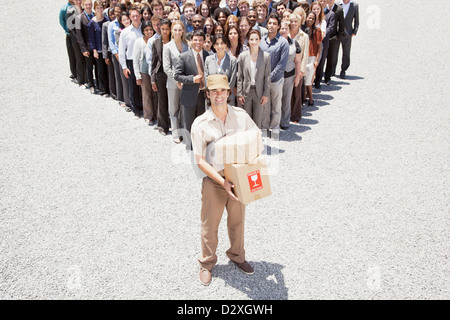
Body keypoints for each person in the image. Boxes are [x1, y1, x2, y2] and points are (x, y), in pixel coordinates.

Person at [191, 74, 261, 286]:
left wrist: (251, 169)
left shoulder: (240, 116)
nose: (218, 95)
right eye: (214, 91)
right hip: (215, 181)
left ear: (229, 93)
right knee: (210, 224)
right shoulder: (200, 124)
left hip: (238, 178)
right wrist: (222, 182)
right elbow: (200, 160)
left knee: (237, 221)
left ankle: (237, 256)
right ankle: (207, 262)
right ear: (208, 94)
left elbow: (255, 138)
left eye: (222, 90)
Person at [174, 30, 210, 145]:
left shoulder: (207, 56)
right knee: (189, 122)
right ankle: (190, 145)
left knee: (201, 122)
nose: (198, 42)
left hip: (203, 95)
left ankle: (200, 144)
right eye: (195, 40)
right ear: (191, 41)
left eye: (200, 40)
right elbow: (177, 75)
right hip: (189, 94)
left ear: (204, 41)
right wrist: (192, 79)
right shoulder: (184, 56)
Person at [259, 12, 289, 135]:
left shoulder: (283, 43)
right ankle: (265, 128)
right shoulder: (262, 41)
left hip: (276, 81)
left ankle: (275, 128)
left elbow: (282, 65)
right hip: (263, 80)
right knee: (265, 106)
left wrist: (270, 77)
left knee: (276, 106)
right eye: (270, 23)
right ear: (267, 24)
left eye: (274, 24)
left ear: (278, 26)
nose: (271, 25)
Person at [237, 29, 270, 128]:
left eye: (256, 39)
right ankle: (248, 140)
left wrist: (266, 94)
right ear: (248, 41)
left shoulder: (266, 56)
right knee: (246, 118)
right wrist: (239, 93)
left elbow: (267, 76)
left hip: (259, 92)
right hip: (246, 91)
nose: (254, 42)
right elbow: (240, 76)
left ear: (260, 40)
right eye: (251, 39)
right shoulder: (243, 56)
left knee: (257, 118)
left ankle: (257, 139)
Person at [163, 21, 189, 144]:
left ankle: (184, 132)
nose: (177, 32)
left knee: (184, 108)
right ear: (172, 31)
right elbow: (166, 68)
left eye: (180, 30)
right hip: (173, 83)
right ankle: (175, 133)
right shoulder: (167, 46)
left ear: (183, 31)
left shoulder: (187, 45)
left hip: (185, 83)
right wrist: (177, 81)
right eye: (175, 30)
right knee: (173, 109)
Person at [119, 5, 143, 117]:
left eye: (137, 15)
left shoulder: (145, 29)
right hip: (131, 61)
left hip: (143, 61)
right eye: (133, 16)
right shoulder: (125, 32)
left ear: (141, 16)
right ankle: (136, 109)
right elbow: (121, 50)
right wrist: (124, 66)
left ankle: (144, 107)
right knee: (133, 86)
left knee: (143, 86)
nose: (135, 18)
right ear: (130, 17)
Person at [278, 20, 302, 130]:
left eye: (285, 28)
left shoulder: (294, 43)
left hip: (289, 75)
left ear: (289, 30)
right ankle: (275, 122)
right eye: (281, 28)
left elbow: (297, 61)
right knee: (276, 100)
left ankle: (285, 122)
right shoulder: (275, 42)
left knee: (286, 100)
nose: (283, 30)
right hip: (276, 77)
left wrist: (297, 76)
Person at [133, 20, 156, 125]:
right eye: (146, 30)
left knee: (155, 94)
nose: (149, 32)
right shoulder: (139, 42)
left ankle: (156, 114)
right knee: (146, 94)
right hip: (144, 71)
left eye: (151, 29)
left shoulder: (156, 40)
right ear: (143, 31)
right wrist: (138, 75)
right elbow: (136, 59)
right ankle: (148, 115)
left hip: (154, 71)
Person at [151, 19, 172, 135]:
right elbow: (153, 62)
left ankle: (175, 125)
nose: (165, 31)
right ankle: (163, 126)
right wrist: (153, 79)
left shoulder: (174, 41)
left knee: (173, 101)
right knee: (162, 101)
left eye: (167, 29)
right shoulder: (156, 42)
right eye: (163, 29)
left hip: (172, 75)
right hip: (160, 74)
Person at [204, 34, 237, 106]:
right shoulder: (208, 59)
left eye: (222, 43)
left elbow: (232, 80)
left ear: (226, 45)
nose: (219, 46)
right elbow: (206, 78)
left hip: (227, 97)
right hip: (212, 97)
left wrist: (222, 93)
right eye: (217, 44)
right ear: (213, 46)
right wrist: (213, 93)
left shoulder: (232, 60)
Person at [289, 11, 309, 123]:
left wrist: (301, 71)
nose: (293, 23)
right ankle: (287, 114)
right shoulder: (285, 34)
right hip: (288, 67)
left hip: (298, 67)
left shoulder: (304, 36)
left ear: (299, 22)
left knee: (297, 93)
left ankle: (295, 115)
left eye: (295, 21)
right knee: (287, 93)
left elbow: (305, 54)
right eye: (291, 21)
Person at [88, 0, 109, 96]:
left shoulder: (106, 20)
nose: (99, 10)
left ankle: (109, 89)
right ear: (94, 9)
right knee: (100, 71)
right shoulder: (92, 23)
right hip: (98, 50)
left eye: (101, 7)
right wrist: (94, 50)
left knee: (107, 70)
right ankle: (102, 89)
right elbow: (91, 38)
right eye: (97, 8)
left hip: (106, 49)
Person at [76, 0, 96, 93]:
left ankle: (98, 84)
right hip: (87, 47)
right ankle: (91, 84)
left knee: (98, 67)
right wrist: (83, 49)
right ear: (83, 6)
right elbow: (79, 36)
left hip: (96, 46)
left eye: (90, 5)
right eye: (86, 5)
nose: (88, 6)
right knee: (89, 67)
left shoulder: (95, 15)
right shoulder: (78, 18)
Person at [314, 0, 335, 89]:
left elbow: (330, 28)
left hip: (323, 41)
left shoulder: (330, 14)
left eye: (324, 1)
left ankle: (318, 81)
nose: (322, 2)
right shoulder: (311, 15)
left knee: (321, 61)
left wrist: (321, 35)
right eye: (320, 0)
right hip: (312, 43)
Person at [66, 0, 86, 87]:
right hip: (76, 40)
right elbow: (70, 29)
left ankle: (87, 78)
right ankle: (80, 80)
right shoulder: (70, 11)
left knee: (86, 60)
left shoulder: (84, 9)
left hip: (85, 39)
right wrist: (78, 39)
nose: (78, 1)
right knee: (79, 59)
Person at [324, 0, 345, 84]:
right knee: (321, 58)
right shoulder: (323, 8)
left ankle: (327, 77)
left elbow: (341, 24)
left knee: (330, 58)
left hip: (332, 37)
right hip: (322, 37)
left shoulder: (338, 9)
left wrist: (337, 37)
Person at [304, 11, 322, 105]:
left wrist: (317, 60)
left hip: (312, 57)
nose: (310, 20)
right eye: (309, 17)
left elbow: (319, 47)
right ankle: (303, 97)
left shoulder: (317, 31)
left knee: (309, 79)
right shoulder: (302, 29)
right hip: (303, 57)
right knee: (302, 79)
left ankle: (311, 98)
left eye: (312, 18)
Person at [338, 0, 359, 79]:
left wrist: (354, 31)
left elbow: (356, 20)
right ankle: (331, 71)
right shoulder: (337, 4)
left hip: (348, 33)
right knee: (334, 53)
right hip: (337, 32)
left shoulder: (355, 5)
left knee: (346, 53)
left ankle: (343, 70)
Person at [60, 0, 78, 82]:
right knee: (72, 55)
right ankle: (74, 73)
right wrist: (67, 30)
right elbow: (62, 21)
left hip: (79, 35)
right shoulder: (64, 9)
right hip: (70, 35)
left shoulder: (79, 6)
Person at [102, 7, 117, 100]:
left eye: (114, 13)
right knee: (111, 74)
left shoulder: (119, 23)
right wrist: (105, 56)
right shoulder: (106, 25)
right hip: (109, 52)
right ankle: (113, 93)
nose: (112, 16)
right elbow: (104, 41)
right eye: (111, 14)